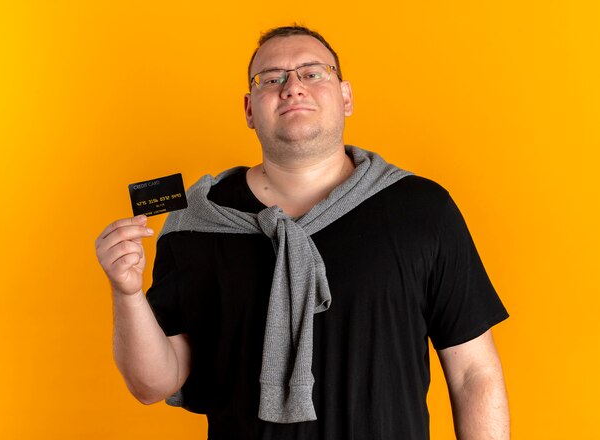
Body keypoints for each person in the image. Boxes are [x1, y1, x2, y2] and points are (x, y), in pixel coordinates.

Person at [95, 25, 510, 440]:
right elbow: (153, 384)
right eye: (271, 79)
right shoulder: (197, 224)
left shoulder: (421, 209)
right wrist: (126, 293)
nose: (292, 87)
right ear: (249, 110)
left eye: (313, 73)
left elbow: (473, 372)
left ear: (345, 96)